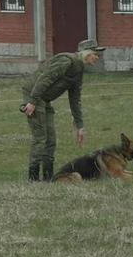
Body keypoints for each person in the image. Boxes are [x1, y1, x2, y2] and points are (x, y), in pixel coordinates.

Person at [21, 39, 104, 181]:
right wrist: (32, 102)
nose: (98, 58)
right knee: (41, 138)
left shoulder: (78, 69)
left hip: (44, 99)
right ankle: (33, 180)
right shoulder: (66, 61)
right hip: (35, 95)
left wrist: (80, 126)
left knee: (51, 140)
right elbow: (44, 79)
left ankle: (48, 179)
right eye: (96, 54)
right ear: (87, 53)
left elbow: (75, 98)